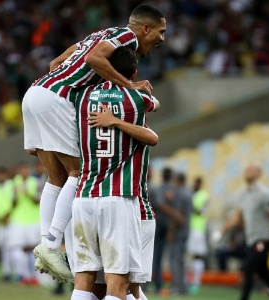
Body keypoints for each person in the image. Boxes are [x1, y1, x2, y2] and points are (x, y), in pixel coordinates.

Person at [27, 4, 166, 282]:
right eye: (160, 32)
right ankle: (52, 244)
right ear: (145, 28)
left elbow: (56, 63)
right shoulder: (127, 37)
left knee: (55, 178)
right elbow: (93, 60)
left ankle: (48, 242)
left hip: (36, 91)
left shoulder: (102, 33)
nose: (162, 38)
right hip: (57, 98)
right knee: (77, 173)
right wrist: (130, 86)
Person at [69, 46, 160, 300]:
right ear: (134, 71)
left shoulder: (80, 97)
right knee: (119, 286)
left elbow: (57, 68)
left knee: (83, 282)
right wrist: (119, 116)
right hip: (118, 198)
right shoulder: (137, 99)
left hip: (83, 198)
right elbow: (155, 116)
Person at [220, 164, 269, 300]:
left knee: (248, 268)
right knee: (264, 274)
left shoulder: (265, 193)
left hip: (264, 238)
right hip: (251, 239)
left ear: (259, 173)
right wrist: (222, 231)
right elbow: (236, 217)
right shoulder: (243, 194)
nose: (247, 171)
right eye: (246, 169)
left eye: (251, 169)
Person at [10, 162, 40, 285]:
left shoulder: (35, 181)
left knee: (33, 248)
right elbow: (13, 203)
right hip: (18, 219)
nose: (24, 171)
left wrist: (27, 192)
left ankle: (34, 276)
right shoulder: (15, 182)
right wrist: (16, 194)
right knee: (18, 247)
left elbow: (37, 201)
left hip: (33, 219)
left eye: (25, 169)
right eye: (21, 169)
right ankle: (22, 275)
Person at [167, 173, 191, 296]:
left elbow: (177, 215)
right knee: (181, 259)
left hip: (178, 231)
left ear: (178, 180)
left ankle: (176, 287)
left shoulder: (179, 194)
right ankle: (183, 287)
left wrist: (171, 231)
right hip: (186, 231)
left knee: (174, 259)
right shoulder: (188, 192)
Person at [0, 166, 15, 282]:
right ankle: (6, 272)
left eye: (1, 174)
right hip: (0, 222)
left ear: (6, 175)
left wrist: (8, 215)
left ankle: (18, 273)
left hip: (11, 221)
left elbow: (15, 201)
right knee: (3, 248)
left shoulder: (11, 185)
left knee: (13, 247)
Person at [187, 177, 209, 295]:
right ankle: (191, 281)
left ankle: (196, 283)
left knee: (198, 255)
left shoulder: (203, 195)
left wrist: (188, 207)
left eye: (196, 182)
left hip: (198, 229)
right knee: (190, 256)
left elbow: (200, 210)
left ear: (200, 183)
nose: (194, 184)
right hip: (190, 228)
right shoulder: (192, 194)